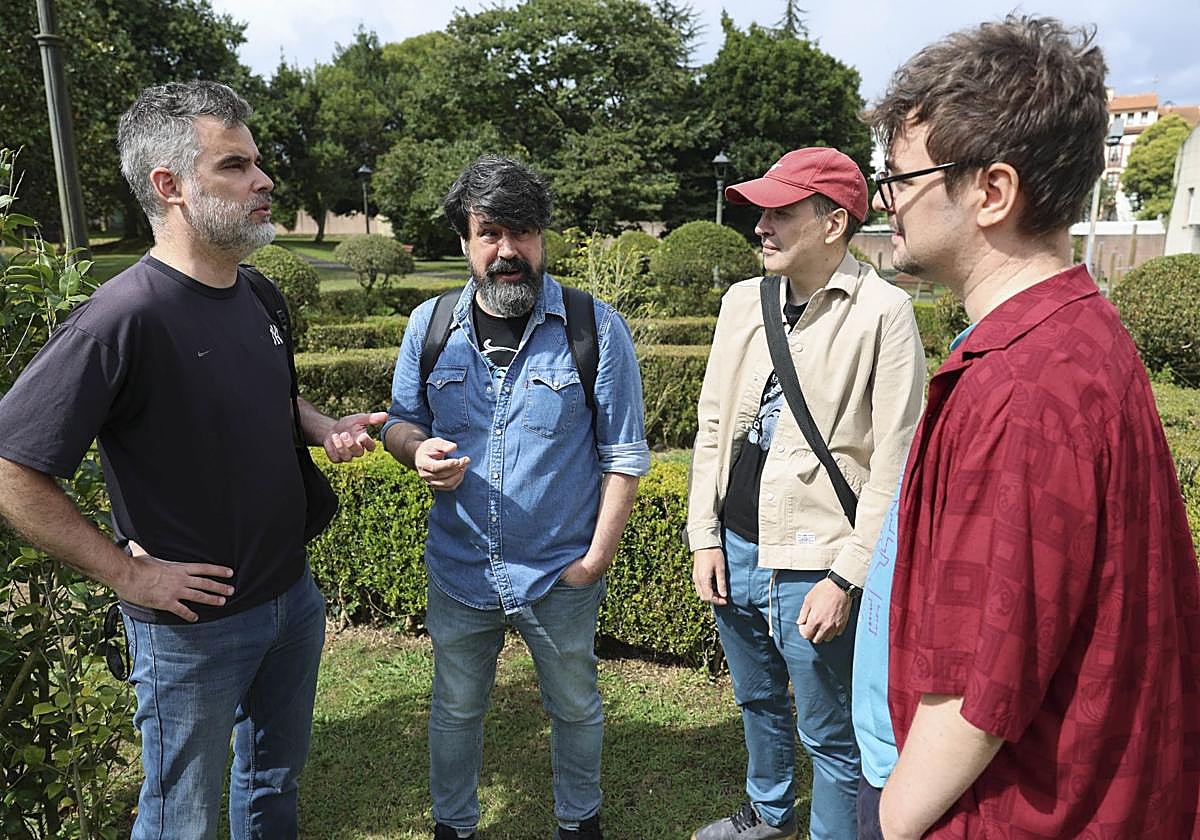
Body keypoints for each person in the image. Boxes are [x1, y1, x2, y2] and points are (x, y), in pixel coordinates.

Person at [0, 81, 386, 840]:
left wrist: (320, 425)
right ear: (170, 186)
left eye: (257, 162)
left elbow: (273, 397)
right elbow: (13, 467)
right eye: (234, 166)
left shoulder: (259, 295)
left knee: (272, 783)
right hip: (191, 628)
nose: (263, 180)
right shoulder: (121, 317)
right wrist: (128, 574)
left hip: (291, 597)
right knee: (180, 817)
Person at [854, 15, 1200, 839]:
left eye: (900, 177)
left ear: (993, 192)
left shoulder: (1020, 384)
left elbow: (979, 690)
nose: (886, 199)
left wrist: (892, 819)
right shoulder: (1072, 333)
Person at [381, 155, 649, 840]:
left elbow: (623, 456)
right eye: (490, 233)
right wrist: (416, 449)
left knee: (575, 707)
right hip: (460, 569)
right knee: (455, 710)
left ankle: (578, 824)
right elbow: (401, 421)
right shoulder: (430, 326)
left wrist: (594, 560)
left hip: (559, 572)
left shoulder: (594, 328)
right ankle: (453, 827)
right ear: (465, 241)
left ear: (542, 236)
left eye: (522, 232)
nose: (508, 250)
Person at [685, 147, 925, 840]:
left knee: (829, 731)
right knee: (757, 699)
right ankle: (767, 815)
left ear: (833, 222)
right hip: (735, 544)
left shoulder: (884, 313)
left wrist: (846, 577)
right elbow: (712, 425)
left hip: (815, 562)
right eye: (761, 212)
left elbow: (895, 464)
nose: (761, 226)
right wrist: (704, 535)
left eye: (780, 212)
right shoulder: (743, 302)